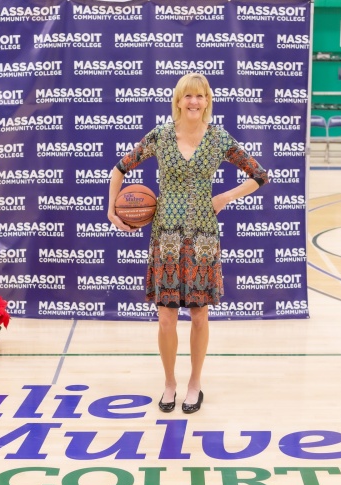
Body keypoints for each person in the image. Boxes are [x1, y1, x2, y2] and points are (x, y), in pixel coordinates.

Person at [107, 73, 269, 415]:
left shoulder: (219, 138)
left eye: (200, 96)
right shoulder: (160, 136)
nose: (194, 102)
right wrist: (112, 211)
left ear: (207, 101)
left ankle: (195, 383)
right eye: (188, 96)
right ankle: (170, 383)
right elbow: (119, 169)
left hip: (203, 237)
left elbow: (259, 175)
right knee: (166, 318)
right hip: (165, 236)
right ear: (178, 101)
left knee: (199, 315)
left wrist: (224, 197)